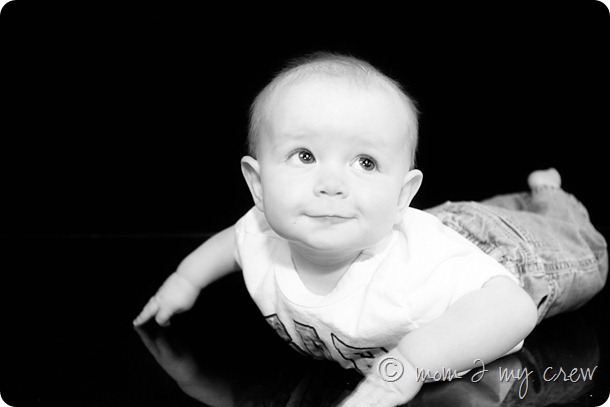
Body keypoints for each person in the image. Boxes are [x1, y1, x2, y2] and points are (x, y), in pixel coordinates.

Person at [133, 52, 608, 406]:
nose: (331, 184)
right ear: (257, 185)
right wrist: (185, 279)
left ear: (402, 195)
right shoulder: (260, 234)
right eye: (304, 156)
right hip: (430, 224)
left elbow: (514, 307)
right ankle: (527, 196)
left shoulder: (416, 273)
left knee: (582, 247)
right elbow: (235, 243)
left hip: (508, 257)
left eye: (364, 162)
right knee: (482, 213)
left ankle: (552, 195)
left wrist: (412, 362)